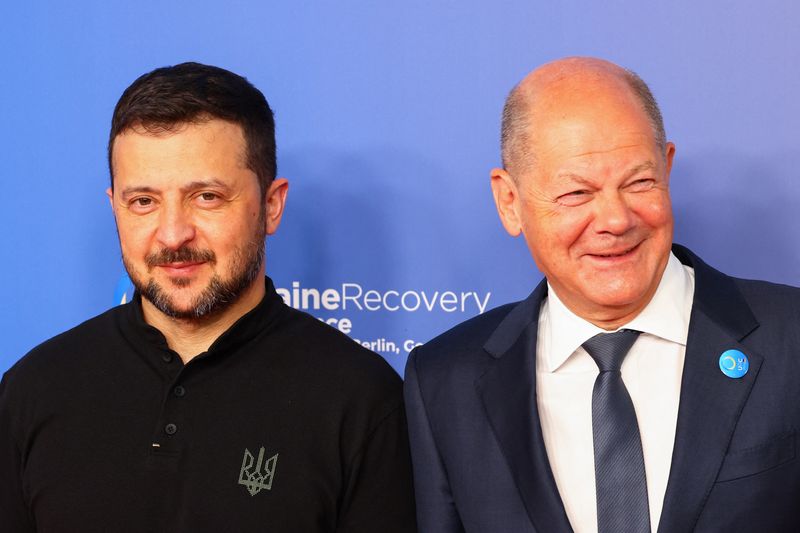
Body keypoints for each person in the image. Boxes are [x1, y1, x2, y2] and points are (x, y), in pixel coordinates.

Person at [0, 62, 416, 532]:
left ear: (272, 205)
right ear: (114, 206)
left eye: (207, 197)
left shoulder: (362, 401)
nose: (173, 234)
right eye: (143, 202)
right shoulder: (34, 388)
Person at [404, 56, 800, 533]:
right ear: (510, 202)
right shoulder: (446, 381)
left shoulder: (790, 339)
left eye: (639, 182)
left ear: (668, 169)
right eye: (576, 194)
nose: (615, 220)